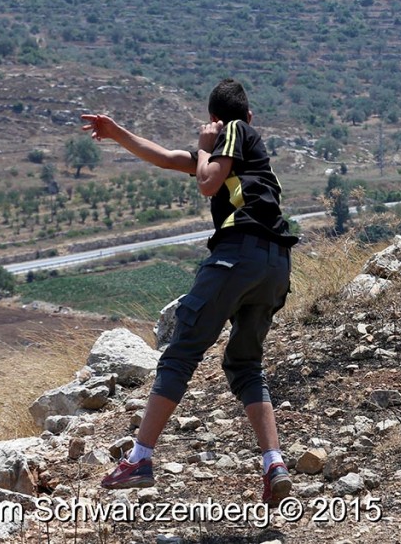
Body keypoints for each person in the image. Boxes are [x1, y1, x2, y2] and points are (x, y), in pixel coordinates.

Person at [81, 78, 298, 505]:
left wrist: (205, 143)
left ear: (220, 121)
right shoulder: (254, 159)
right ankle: (274, 463)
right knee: (245, 364)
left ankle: (140, 457)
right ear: (252, 114)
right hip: (275, 266)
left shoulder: (232, 131)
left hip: (238, 255)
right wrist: (117, 132)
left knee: (181, 352)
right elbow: (164, 158)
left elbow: (206, 182)